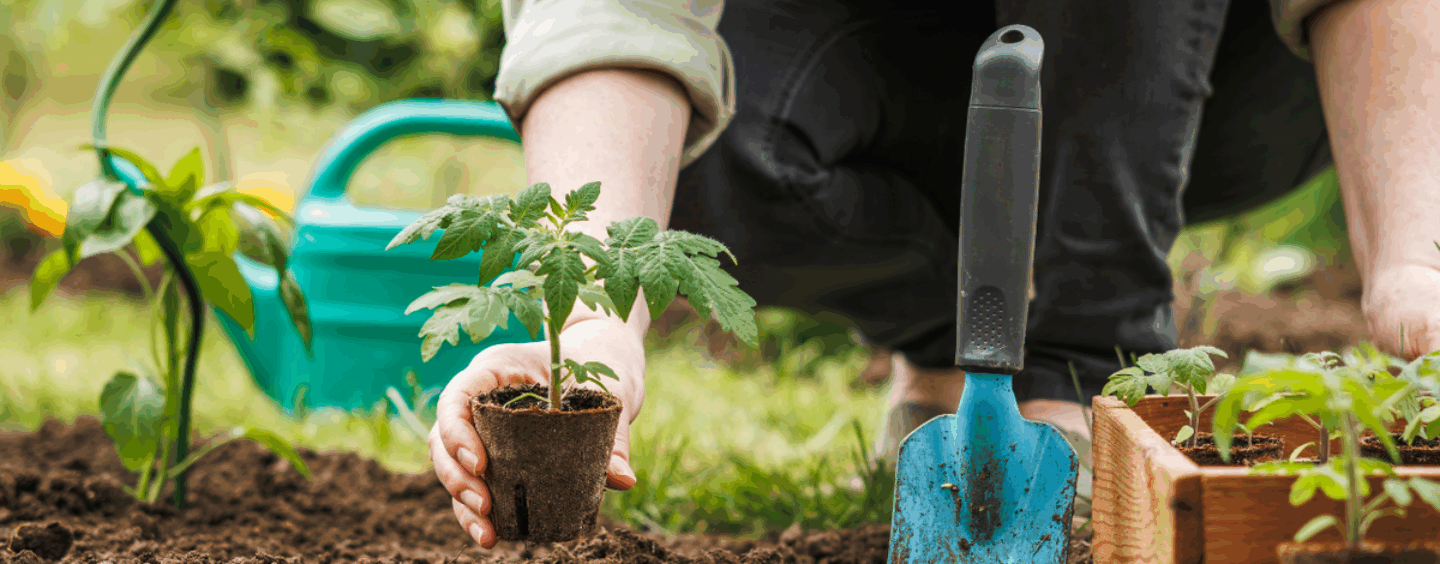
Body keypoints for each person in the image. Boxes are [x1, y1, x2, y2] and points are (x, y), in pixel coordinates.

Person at [428, 0, 1440, 548]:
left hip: (1217, 66)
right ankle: (957, 349)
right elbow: (613, 18)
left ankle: (1078, 363)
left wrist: (1412, 265)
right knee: (721, 148)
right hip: (875, 45)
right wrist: (602, 320)